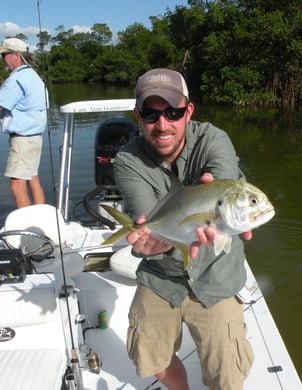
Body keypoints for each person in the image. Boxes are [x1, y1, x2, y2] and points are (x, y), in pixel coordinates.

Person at [114, 68, 254, 390]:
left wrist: (215, 195)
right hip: (162, 273)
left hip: (216, 273)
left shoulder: (213, 139)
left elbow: (223, 183)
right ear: (138, 116)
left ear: (188, 110)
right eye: (150, 114)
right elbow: (145, 219)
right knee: (148, 353)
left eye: (172, 112)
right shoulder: (127, 160)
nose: (162, 125)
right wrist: (154, 242)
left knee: (228, 372)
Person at [0, 37, 48, 208]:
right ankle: (42, 220)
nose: (3, 59)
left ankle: (28, 231)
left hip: (23, 140)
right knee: (32, 178)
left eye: (4, 54)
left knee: (16, 185)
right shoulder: (33, 76)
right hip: (34, 138)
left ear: (16, 55)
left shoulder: (16, 79)